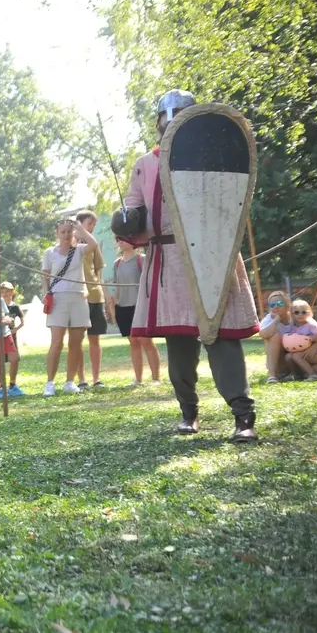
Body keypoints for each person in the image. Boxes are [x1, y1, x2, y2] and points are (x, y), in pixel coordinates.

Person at [116, 88, 259, 441]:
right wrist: (127, 219)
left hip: (213, 254)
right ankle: (188, 412)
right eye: (167, 117)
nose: (172, 122)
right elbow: (135, 207)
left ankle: (243, 415)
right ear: (159, 122)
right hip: (169, 260)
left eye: (180, 116)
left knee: (221, 337)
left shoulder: (216, 154)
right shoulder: (145, 164)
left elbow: (230, 200)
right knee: (179, 340)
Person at [41, 217, 100, 396]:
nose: (66, 235)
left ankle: (70, 381)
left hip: (78, 297)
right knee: (56, 342)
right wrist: (46, 293)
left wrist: (80, 228)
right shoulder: (50, 253)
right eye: (63, 232)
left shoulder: (79, 250)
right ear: (57, 233)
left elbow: (93, 244)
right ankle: (50, 383)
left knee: (76, 342)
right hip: (58, 298)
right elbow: (45, 276)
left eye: (69, 231)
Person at [107, 239, 162, 387]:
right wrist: (114, 305)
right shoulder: (117, 263)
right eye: (118, 239)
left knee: (146, 341)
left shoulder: (141, 259)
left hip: (140, 306)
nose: (121, 241)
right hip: (123, 307)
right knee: (133, 342)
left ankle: (156, 378)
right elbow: (116, 287)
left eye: (124, 238)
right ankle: (138, 379)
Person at [74, 210, 109, 389]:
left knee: (94, 339)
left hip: (95, 296)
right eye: (90, 224)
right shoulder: (70, 242)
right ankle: (81, 379)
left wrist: (105, 297)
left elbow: (98, 273)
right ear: (79, 224)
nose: (93, 227)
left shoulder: (94, 245)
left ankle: (96, 378)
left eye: (94, 224)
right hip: (78, 297)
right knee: (77, 339)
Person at [0, 282, 26, 397]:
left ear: (12, 292)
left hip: (11, 336)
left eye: (7, 291)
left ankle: (12, 384)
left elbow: (22, 321)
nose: (5, 293)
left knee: (14, 359)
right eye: (2, 291)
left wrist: (15, 330)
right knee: (0, 361)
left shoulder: (15, 307)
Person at [284, 299, 317, 379]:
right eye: (297, 312)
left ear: (308, 313)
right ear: (292, 314)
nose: (300, 314)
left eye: (303, 312)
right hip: (303, 351)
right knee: (288, 356)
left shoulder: (311, 325)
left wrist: (311, 338)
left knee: (297, 356)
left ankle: (313, 374)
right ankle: (295, 374)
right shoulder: (294, 327)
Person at [258, 290, 296, 383]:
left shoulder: (296, 316)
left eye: (280, 303)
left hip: (296, 357)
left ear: (287, 305)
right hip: (280, 360)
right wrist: (276, 320)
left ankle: (297, 372)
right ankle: (272, 376)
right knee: (274, 336)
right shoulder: (268, 319)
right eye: (272, 305)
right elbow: (263, 334)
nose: (276, 306)